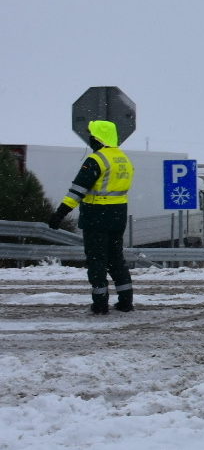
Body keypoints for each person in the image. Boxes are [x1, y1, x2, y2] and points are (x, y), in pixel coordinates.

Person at [47, 120, 136, 314]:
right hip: (118, 215)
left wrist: (60, 213)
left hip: (97, 216)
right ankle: (126, 301)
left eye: (92, 135)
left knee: (97, 260)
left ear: (98, 138)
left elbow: (77, 191)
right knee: (116, 258)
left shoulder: (97, 160)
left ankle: (100, 304)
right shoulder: (123, 159)